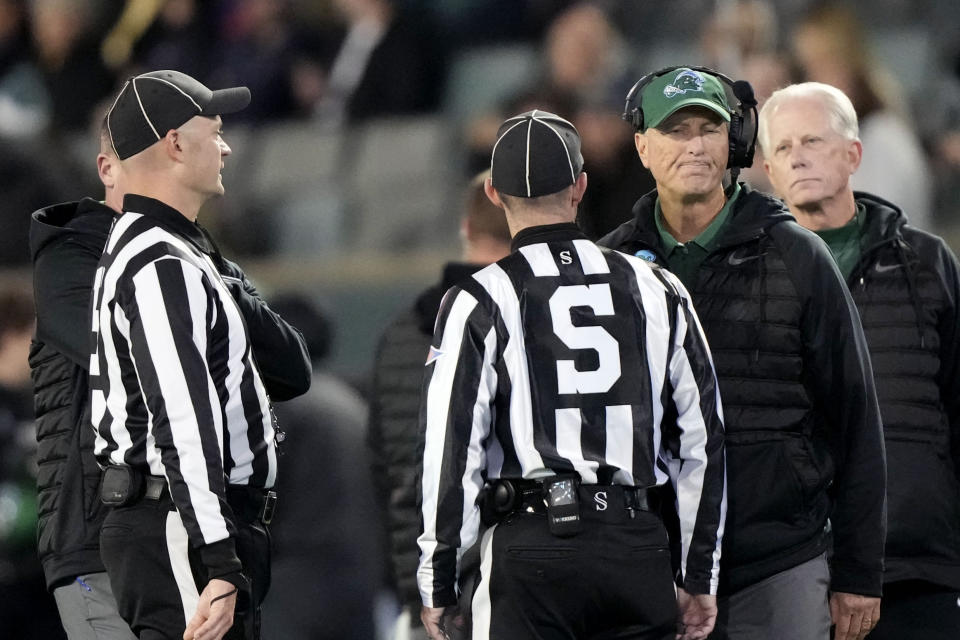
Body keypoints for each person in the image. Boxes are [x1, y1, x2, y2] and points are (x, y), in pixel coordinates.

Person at [599, 67, 886, 640]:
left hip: (776, 559)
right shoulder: (610, 269)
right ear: (642, 146)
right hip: (650, 566)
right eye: (677, 130)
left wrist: (859, 571)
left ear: (732, 141)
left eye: (709, 127)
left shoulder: (797, 255)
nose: (697, 145)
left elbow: (856, 420)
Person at [417, 110, 726, 640]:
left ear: (493, 193)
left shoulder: (478, 299)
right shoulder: (658, 286)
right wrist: (700, 575)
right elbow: (703, 438)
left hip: (531, 548)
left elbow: (450, 447)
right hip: (636, 543)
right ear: (580, 186)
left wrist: (438, 582)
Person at [87, 69, 310, 640]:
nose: (227, 146)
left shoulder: (177, 252)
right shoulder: (161, 263)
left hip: (183, 521)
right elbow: (183, 419)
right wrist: (218, 559)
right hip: (178, 525)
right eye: (214, 131)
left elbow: (291, 370)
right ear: (175, 144)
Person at [759, 81, 960, 640]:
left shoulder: (927, 261)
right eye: (783, 147)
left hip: (920, 562)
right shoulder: (752, 275)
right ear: (769, 173)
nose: (797, 155)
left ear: (854, 154)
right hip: (796, 568)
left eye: (813, 141)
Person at [367, 170, 512, 640]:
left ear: (466, 229)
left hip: (421, 599)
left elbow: (384, 471)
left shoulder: (400, 334)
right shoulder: (528, 323)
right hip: (512, 593)